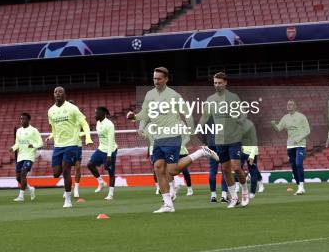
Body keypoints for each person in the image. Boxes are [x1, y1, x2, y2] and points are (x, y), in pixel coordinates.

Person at [128, 67, 219, 213]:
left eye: (159, 78)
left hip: (172, 135)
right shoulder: (149, 94)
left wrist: (191, 129)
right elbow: (144, 114)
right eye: (154, 78)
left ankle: (201, 152)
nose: (156, 81)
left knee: (172, 170)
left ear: (166, 79)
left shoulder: (174, 95)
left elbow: (187, 113)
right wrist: (134, 117)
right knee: (158, 168)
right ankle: (168, 204)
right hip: (157, 138)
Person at [198, 72, 249, 208]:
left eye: (219, 82)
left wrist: (241, 120)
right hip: (219, 139)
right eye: (215, 83)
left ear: (225, 82)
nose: (217, 85)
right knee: (225, 169)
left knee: (236, 167)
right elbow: (205, 117)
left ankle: (244, 192)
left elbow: (243, 113)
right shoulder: (210, 99)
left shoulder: (233, 97)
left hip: (234, 137)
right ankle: (234, 197)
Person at [45, 86, 93, 208]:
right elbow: (54, 128)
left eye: (60, 91)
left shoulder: (72, 108)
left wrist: (88, 138)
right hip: (58, 146)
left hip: (71, 144)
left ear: (65, 94)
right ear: (53, 95)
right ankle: (68, 188)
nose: (57, 93)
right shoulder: (51, 111)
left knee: (66, 170)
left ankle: (67, 200)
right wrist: (51, 137)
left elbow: (84, 123)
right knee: (56, 173)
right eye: (55, 92)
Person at [271, 100, 310, 195]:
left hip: (300, 144)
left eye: (291, 104)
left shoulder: (301, 116)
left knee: (298, 164)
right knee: (293, 166)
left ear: (295, 106)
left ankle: (301, 186)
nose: (289, 106)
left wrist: (299, 138)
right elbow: (279, 128)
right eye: (288, 104)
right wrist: (273, 125)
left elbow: (308, 130)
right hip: (290, 145)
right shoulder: (285, 118)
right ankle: (299, 187)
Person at [10, 112, 42, 202]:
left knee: (23, 173)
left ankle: (21, 196)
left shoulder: (34, 130)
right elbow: (17, 143)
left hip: (29, 156)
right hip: (20, 156)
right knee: (18, 177)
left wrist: (33, 145)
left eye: (24, 119)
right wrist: (12, 148)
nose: (22, 121)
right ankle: (30, 188)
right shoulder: (19, 131)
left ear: (28, 120)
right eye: (21, 119)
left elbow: (40, 143)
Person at [87, 107, 118, 200]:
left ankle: (111, 194)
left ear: (103, 113)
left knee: (110, 171)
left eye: (96, 113)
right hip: (101, 149)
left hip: (111, 150)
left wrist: (109, 156)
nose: (94, 115)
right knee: (90, 164)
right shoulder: (98, 123)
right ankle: (101, 182)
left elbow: (110, 142)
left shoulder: (109, 125)